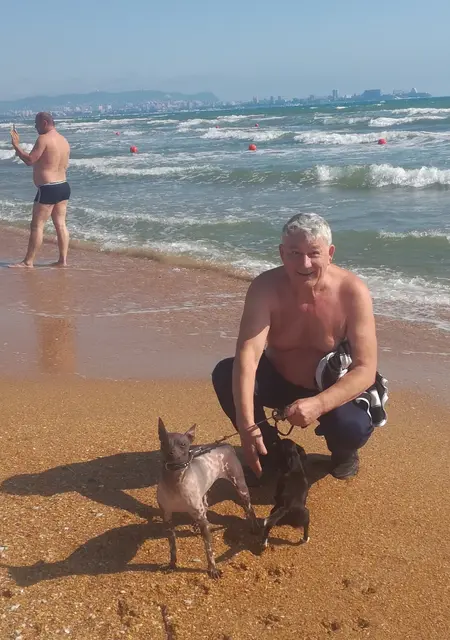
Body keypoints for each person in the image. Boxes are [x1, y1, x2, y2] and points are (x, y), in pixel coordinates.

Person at [212, 213, 378, 481]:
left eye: (314, 253)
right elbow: (248, 356)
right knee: (225, 372)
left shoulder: (352, 291)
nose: (305, 263)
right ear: (282, 253)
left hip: (329, 383)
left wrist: (319, 404)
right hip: (279, 378)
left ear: (330, 254)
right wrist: (247, 426)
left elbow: (365, 369)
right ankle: (269, 449)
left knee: (352, 426)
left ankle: (344, 453)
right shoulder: (265, 288)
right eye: (295, 253)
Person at [10, 112, 71, 268]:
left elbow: (30, 160)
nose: (35, 127)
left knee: (37, 225)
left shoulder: (43, 139)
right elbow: (64, 165)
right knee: (61, 224)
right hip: (63, 185)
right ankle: (62, 260)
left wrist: (16, 145)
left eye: (36, 124)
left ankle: (28, 262)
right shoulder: (63, 140)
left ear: (44, 123)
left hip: (48, 188)